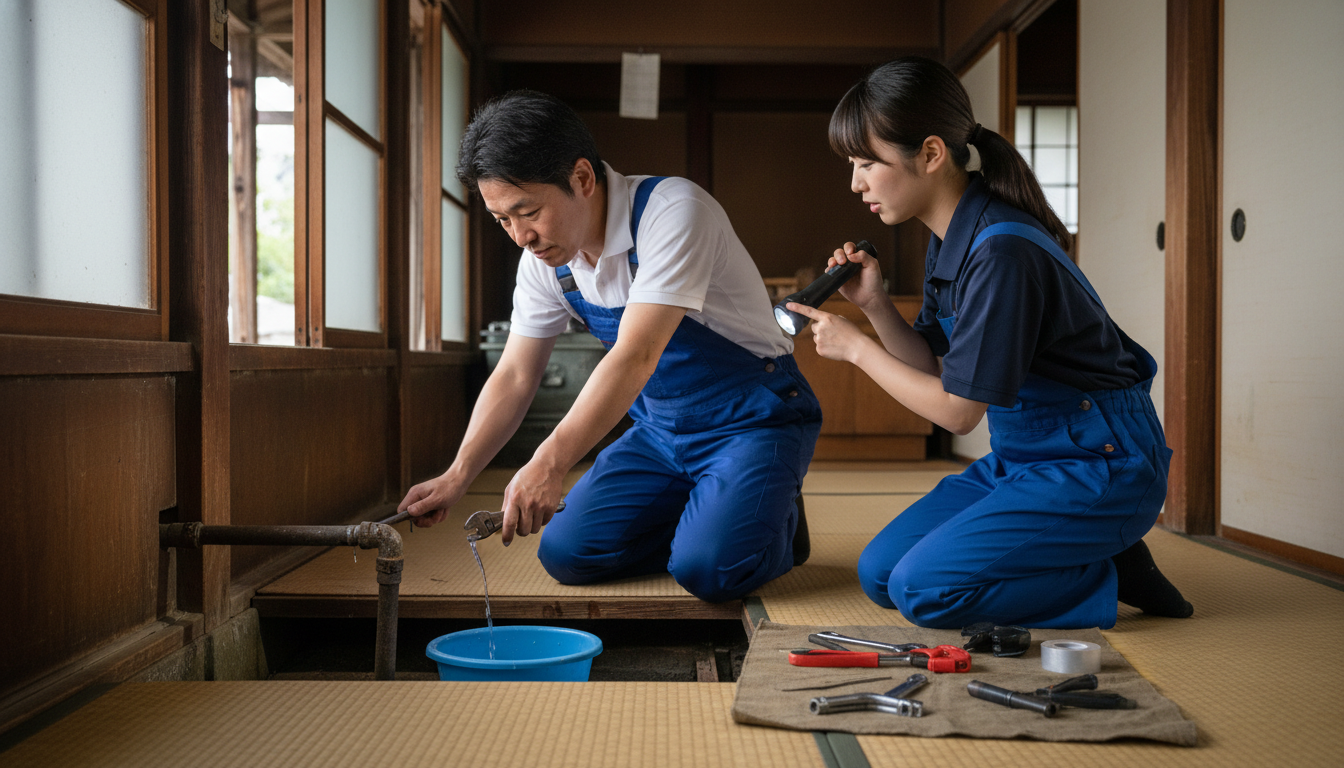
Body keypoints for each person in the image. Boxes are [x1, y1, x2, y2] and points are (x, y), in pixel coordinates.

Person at [785, 57, 1192, 629]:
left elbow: (957, 413)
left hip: (1101, 462)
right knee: (880, 572)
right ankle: (1080, 546)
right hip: (1025, 460)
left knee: (923, 591)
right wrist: (874, 305)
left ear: (930, 154)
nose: (855, 183)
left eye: (866, 163)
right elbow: (934, 364)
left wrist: (858, 349)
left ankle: (1107, 571)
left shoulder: (1001, 251)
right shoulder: (951, 235)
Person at [397, 90, 822, 602]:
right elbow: (514, 374)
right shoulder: (545, 263)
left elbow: (636, 354)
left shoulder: (673, 213)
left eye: (527, 211)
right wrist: (458, 474)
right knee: (567, 554)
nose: (520, 237)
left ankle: (774, 521)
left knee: (709, 572)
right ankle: (722, 512)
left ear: (581, 178)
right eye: (502, 220)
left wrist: (550, 462)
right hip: (661, 432)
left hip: (753, 420)